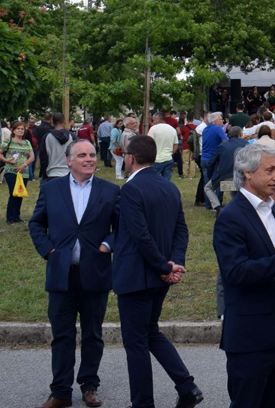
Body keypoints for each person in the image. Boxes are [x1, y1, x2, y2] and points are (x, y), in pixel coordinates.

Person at [113, 135, 203, 408]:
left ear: (130, 158)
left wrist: (166, 266)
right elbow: (181, 230)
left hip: (137, 276)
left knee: (136, 343)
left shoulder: (131, 189)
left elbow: (139, 235)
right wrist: (173, 263)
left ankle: (143, 403)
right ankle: (187, 386)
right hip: (160, 275)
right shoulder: (169, 186)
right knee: (150, 331)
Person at [28, 140, 118, 408]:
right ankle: (60, 391)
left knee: (93, 335)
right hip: (61, 274)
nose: (89, 159)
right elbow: (36, 223)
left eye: (92, 154)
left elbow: (122, 228)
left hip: (95, 273)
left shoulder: (110, 190)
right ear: (69, 161)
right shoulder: (51, 189)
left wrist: (107, 245)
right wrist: (48, 251)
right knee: (62, 336)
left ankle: (89, 386)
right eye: (82, 155)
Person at [213, 143, 275, 408]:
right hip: (251, 338)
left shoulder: (271, 208)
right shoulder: (231, 217)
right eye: (270, 170)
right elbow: (236, 272)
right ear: (247, 173)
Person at [0, 121, 35, 225]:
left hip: (24, 172)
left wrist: (24, 165)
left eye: (22, 129)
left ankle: (17, 216)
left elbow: (32, 157)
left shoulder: (27, 142)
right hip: (11, 171)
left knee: (20, 193)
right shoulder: (8, 141)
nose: (20, 131)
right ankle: (10, 217)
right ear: (13, 130)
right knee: (13, 193)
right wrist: (7, 160)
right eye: (18, 129)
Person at [200, 112, 227, 210]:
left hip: (204, 158)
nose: (222, 121)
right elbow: (226, 141)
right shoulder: (218, 129)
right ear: (215, 121)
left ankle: (208, 205)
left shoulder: (205, 129)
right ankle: (217, 205)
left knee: (207, 183)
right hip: (214, 159)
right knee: (218, 182)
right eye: (221, 119)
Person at [148, 112, 179, 180]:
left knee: (153, 180)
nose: (152, 122)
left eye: (153, 120)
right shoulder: (172, 129)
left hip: (156, 159)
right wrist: (171, 153)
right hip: (168, 158)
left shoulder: (153, 129)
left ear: (157, 119)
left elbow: (148, 143)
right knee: (166, 180)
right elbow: (176, 144)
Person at [45, 113, 73, 180]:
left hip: (52, 172)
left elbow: (44, 156)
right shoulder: (71, 136)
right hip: (68, 171)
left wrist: (44, 174)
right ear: (64, 122)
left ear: (52, 122)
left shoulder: (47, 137)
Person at [35, 113, 54, 182]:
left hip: (40, 145)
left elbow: (36, 136)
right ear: (51, 119)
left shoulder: (38, 128)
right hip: (50, 146)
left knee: (42, 161)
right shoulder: (52, 128)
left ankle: (42, 174)